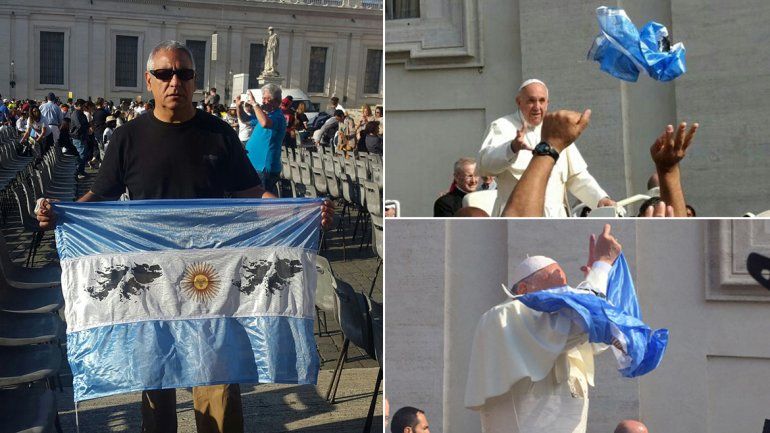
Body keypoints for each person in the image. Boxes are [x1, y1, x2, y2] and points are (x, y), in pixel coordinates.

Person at [36, 40, 331, 433]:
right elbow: (98, 198)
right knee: (155, 381)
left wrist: (302, 215)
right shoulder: (128, 138)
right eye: (164, 74)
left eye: (184, 73)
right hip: (151, 284)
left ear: (194, 81)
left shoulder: (219, 134)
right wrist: (60, 213)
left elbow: (253, 195)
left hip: (211, 279)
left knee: (217, 380)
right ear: (149, 81)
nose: (175, 81)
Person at [465, 224, 623, 433]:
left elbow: (598, 325)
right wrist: (601, 267)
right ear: (523, 289)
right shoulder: (506, 314)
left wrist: (592, 281)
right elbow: (583, 316)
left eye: (568, 291)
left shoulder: (559, 321)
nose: (566, 297)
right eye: (558, 289)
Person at [478, 79, 614, 216]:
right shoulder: (502, 126)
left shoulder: (557, 129)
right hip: (517, 217)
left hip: (555, 217)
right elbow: (486, 165)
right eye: (531, 101)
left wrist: (600, 199)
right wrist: (512, 148)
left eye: (542, 101)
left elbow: (576, 176)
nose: (537, 107)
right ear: (519, 102)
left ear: (547, 103)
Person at [236, 83, 287, 196]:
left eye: (266, 98)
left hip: (264, 168)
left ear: (276, 101)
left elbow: (265, 123)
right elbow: (246, 119)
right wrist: (239, 107)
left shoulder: (278, 116)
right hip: (254, 165)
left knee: (261, 201)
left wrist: (254, 104)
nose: (263, 101)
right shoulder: (265, 114)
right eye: (262, 98)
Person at [69, 99, 91, 179]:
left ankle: (81, 171)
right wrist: (87, 127)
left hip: (82, 136)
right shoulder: (76, 114)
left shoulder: (81, 114)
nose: (84, 107)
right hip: (78, 136)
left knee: (83, 153)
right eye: (83, 105)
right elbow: (79, 125)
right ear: (79, 106)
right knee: (81, 154)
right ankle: (78, 172)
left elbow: (85, 124)